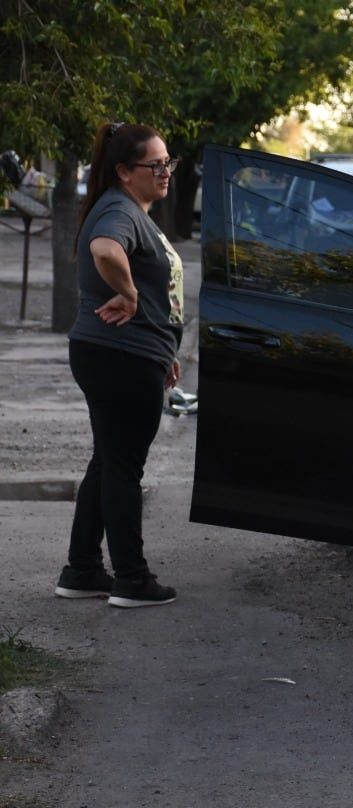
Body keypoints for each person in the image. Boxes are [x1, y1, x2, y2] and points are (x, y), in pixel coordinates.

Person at [55, 122, 184, 608]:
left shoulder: (127, 208)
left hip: (123, 354)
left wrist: (163, 346)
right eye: (156, 165)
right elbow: (105, 251)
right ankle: (132, 579)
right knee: (124, 467)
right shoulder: (118, 210)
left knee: (108, 460)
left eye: (168, 162)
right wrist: (128, 294)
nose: (166, 171)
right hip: (119, 356)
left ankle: (82, 569)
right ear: (126, 172)